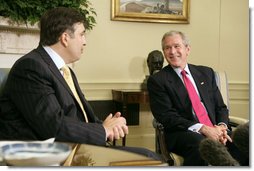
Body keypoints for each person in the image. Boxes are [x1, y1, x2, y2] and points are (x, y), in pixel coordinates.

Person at [0, 7, 161, 161]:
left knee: (150, 156)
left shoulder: (64, 71)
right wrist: (103, 130)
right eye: (82, 34)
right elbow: (53, 126)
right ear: (65, 38)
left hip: (75, 149)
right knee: (149, 159)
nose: (85, 42)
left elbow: (79, 117)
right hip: (46, 155)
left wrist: (109, 126)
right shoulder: (31, 67)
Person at [147, 30, 248, 166]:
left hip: (215, 129)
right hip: (182, 133)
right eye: (167, 48)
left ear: (187, 49)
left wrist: (221, 127)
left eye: (177, 46)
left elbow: (220, 107)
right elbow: (167, 116)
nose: (172, 51)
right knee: (203, 145)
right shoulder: (158, 80)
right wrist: (204, 129)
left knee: (244, 143)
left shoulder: (206, 73)